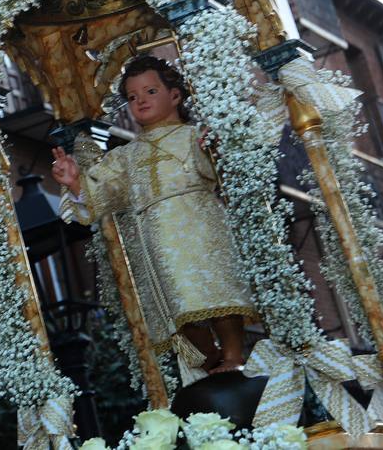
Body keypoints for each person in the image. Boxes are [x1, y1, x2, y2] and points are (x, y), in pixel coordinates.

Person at [51, 55, 256, 374]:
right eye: (133, 97)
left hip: (199, 224)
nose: (140, 101)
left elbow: (216, 170)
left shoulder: (193, 136)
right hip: (156, 239)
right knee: (176, 302)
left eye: (150, 91)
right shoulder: (126, 155)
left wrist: (214, 147)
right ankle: (207, 358)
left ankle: (233, 357)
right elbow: (105, 195)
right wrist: (75, 180)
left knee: (216, 292)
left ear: (175, 95)